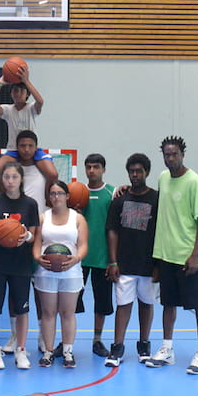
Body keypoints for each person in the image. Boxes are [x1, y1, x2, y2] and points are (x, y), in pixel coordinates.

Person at [145, 136, 198, 375]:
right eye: (166, 154)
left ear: (182, 154)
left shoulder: (194, 181)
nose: (170, 158)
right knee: (168, 304)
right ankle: (167, 349)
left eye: (174, 154)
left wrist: (194, 255)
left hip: (189, 257)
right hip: (167, 255)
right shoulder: (163, 178)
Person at [0, 130, 57, 354]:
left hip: (39, 232)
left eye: (30, 145)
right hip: (13, 232)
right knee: (15, 290)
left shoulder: (43, 166)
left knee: (40, 289)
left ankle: (44, 336)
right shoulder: (12, 169)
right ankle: (15, 335)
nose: (26, 149)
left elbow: (52, 175)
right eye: (21, 145)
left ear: (36, 147)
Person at [0, 161, 39, 370]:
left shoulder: (30, 204)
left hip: (21, 263)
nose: (10, 181)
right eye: (6, 177)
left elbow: (34, 234)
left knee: (22, 309)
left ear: (21, 179)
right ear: (2, 180)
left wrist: (27, 235)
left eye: (14, 177)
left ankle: (21, 349)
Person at [104, 154, 159, 367]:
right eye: (132, 171)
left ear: (147, 172)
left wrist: (159, 264)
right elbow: (112, 231)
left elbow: (161, 232)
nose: (135, 175)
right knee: (123, 305)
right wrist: (113, 261)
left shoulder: (156, 199)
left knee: (146, 304)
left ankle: (144, 345)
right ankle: (117, 347)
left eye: (139, 171)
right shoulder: (120, 199)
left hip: (148, 264)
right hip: (124, 264)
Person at [32, 181, 88, 368]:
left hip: (71, 272)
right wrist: (38, 258)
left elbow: (83, 244)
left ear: (67, 196)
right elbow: (37, 243)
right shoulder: (42, 217)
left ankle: (67, 351)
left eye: (60, 193)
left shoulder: (77, 218)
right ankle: (48, 351)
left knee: (67, 313)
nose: (56, 197)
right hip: (46, 271)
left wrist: (76, 258)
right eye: (53, 193)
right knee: (48, 313)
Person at [0, 70, 55, 198]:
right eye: (15, 91)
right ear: (11, 94)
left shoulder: (31, 108)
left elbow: (40, 101)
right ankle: (4, 197)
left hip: (32, 150)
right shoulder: (8, 110)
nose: (18, 94)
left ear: (27, 95)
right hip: (14, 150)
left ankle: (48, 198)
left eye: (21, 91)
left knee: (52, 174)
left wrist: (26, 81)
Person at [76, 153, 115, 358]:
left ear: (103, 169)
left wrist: (113, 259)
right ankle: (67, 343)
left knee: (102, 303)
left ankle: (97, 340)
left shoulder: (112, 193)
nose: (92, 171)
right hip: (78, 259)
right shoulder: (77, 192)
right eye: (89, 167)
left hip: (103, 258)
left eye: (96, 167)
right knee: (71, 302)